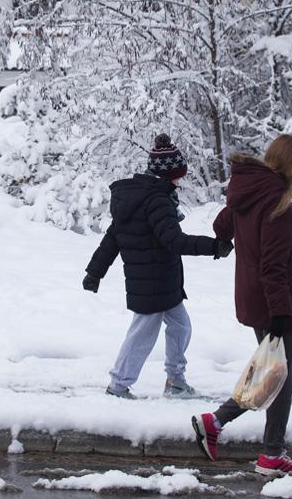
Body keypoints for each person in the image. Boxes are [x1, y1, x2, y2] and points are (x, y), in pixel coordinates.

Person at [191, 134, 292, 475]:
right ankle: (269, 454)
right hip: (275, 304)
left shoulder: (250, 192)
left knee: (272, 372)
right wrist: (280, 314)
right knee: (280, 378)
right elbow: (272, 268)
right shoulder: (278, 207)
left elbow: (220, 228)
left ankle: (217, 423)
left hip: (254, 297)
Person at [83, 133, 234, 399]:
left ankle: (175, 380)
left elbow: (112, 238)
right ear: (170, 175)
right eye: (179, 175)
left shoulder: (142, 197)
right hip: (151, 284)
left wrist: (95, 272)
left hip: (163, 282)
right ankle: (118, 386)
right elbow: (174, 240)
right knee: (142, 335)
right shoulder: (156, 200)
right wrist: (214, 246)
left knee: (181, 327)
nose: (181, 180)